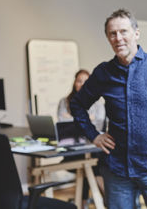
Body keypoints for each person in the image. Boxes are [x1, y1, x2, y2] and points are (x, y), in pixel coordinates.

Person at [70, 9, 147, 209]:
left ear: (136, 33)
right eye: (112, 33)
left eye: (123, 31)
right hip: (117, 171)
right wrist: (93, 135)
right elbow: (77, 104)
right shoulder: (103, 73)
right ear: (108, 38)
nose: (118, 38)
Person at [57, 69, 106, 208]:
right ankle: (105, 201)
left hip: (93, 146)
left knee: (91, 165)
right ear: (74, 83)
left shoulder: (97, 104)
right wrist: (86, 119)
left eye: (86, 81)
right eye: (79, 81)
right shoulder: (65, 101)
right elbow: (62, 121)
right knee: (86, 166)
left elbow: (98, 124)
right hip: (71, 146)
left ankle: (86, 202)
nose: (82, 84)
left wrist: (74, 119)